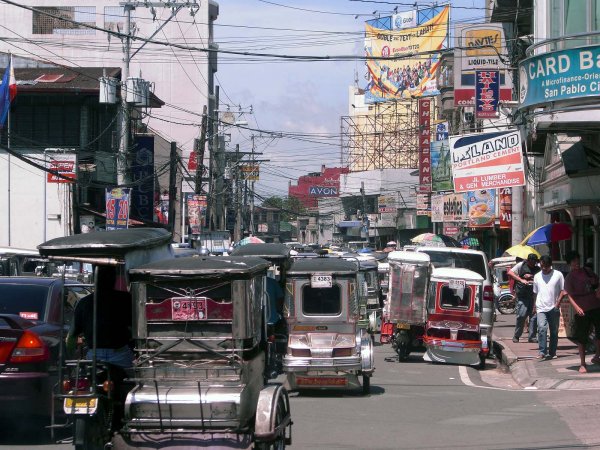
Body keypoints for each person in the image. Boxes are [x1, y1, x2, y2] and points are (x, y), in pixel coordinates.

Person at [66, 265, 133, 368]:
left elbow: (71, 337)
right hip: (120, 355)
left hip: (94, 356)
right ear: (113, 279)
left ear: (95, 280)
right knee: (131, 382)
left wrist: (70, 354)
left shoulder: (84, 303)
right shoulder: (125, 299)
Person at [564, 250, 600, 373]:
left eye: (577, 260)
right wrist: (577, 308)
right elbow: (569, 295)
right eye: (573, 261)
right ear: (569, 263)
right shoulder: (569, 278)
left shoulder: (587, 271)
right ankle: (583, 363)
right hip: (582, 309)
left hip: (595, 305)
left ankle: (597, 356)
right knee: (582, 337)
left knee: (599, 332)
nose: (576, 263)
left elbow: (596, 282)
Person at [532, 255, 565, 359]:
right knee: (542, 328)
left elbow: (563, 291)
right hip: (541, 307)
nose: (544, 268)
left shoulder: (558, 275)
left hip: (553, 307)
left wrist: (558, 303)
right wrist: (534, 306)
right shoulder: (537, 276)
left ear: (550, 265)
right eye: (542, 266)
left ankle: (552, 352)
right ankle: (542, 351)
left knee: (554, 331)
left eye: (546, 266)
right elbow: (535, 292)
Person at [509, 253, 541, 343]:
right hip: (522, 295)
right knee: (521, 315)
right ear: (527, 260)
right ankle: (517, 335)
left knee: (534, 316)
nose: (532, 263)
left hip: (534, 295)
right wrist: (521, 279)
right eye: (531, 261)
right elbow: (510, 273)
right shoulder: (521, 265)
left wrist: (532, 277)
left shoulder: (538, 268)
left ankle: (532, 336)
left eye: (534, 261)